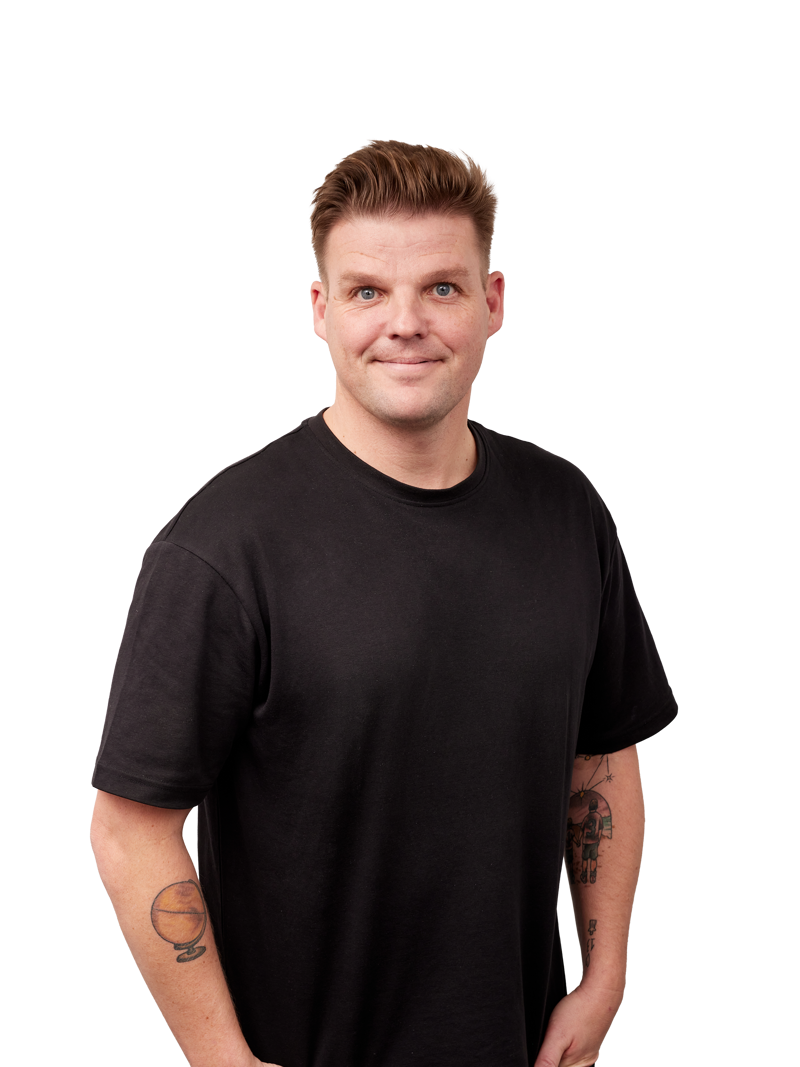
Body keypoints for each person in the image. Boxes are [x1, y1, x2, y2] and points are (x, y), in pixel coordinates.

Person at [89, 136, 679, 1067]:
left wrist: (604, 977)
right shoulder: (221, 546)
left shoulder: (567, 511)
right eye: (367, 291)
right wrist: (221, 1059)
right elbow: (130, 826)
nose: (405, 323)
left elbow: (602, 754)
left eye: (441, 287)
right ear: (320, 310)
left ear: (494, 302)